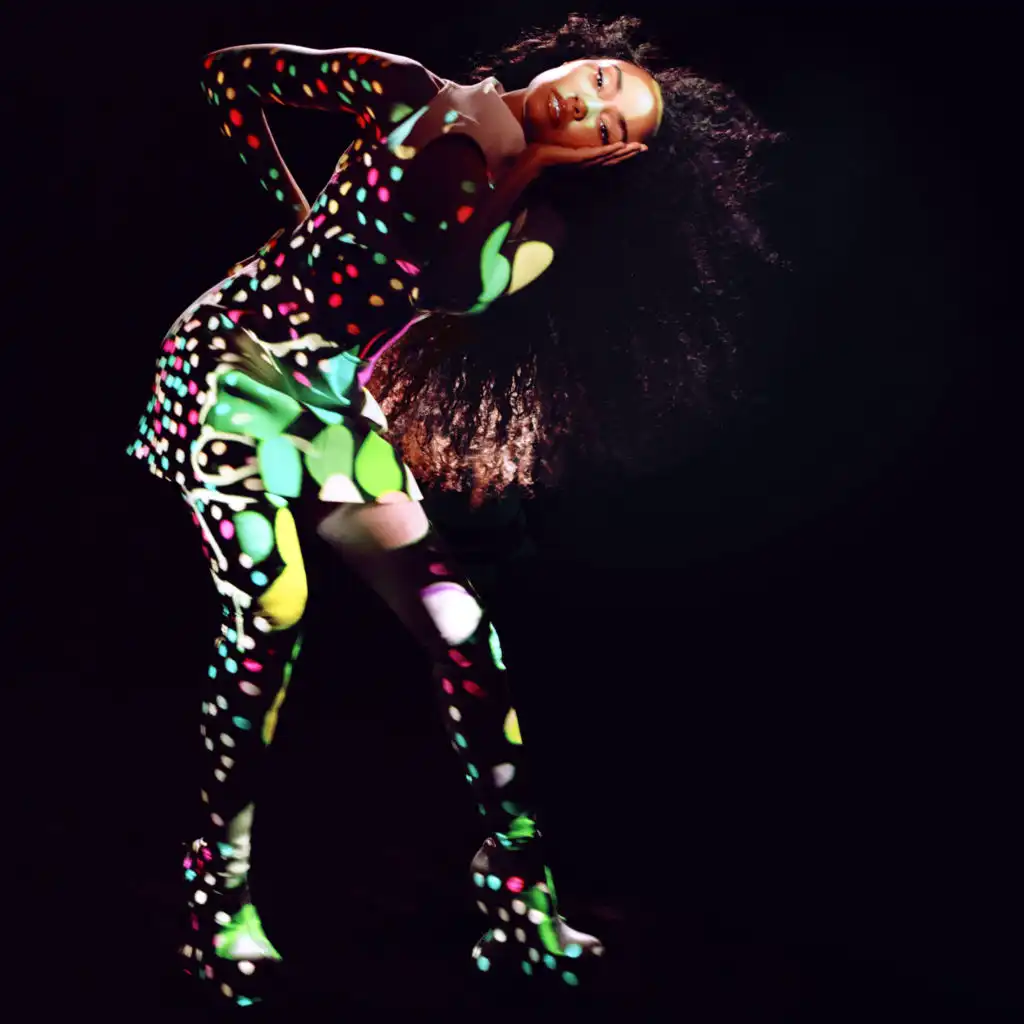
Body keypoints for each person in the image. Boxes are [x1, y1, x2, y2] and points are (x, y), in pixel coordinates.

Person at [127, 12, 784, 1008]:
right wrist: (294, 211)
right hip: (229, 365)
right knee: (272, 609)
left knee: (460, 628)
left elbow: (442, 279)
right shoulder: (404, 90)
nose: (591, 104)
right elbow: (231, 76)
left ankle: (515, 888)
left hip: (328, 410)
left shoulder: (538, 235)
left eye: (612, 127)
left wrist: (526, 169)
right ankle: (216, 883)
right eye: (603, 80)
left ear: (609, 161)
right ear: (578, 55)